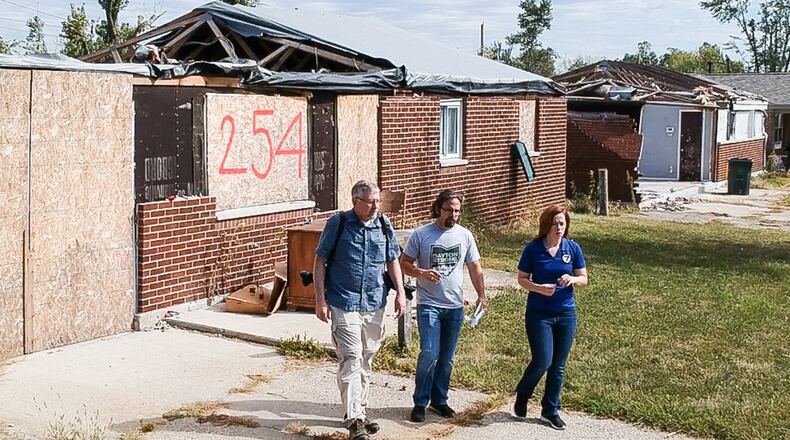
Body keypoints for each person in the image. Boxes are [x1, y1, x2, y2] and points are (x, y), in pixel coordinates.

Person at [313, 180, 407, 440]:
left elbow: (392, 261)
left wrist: (400, 293)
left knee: (367, 357)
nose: (375, 206)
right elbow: (320, 261)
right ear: (355, 201)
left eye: (378, 200)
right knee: (351, 357)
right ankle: (354, 419)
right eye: (369, 201)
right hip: (344, 301)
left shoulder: (384, 225)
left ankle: (360, 413)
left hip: (375, 301)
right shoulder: (339, 223)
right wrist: (320, 300)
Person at [400, 190, 487, 423]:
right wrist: (421, 273)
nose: (454, 214)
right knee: (429, 352)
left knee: (447, 357)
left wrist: (482, 295)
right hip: (429, 303)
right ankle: (420, 401)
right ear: (438, 208)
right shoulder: (422, 234)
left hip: (455, 306)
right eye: (449, 209)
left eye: (457, 210)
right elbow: (404, 263)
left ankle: (440, 400)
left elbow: (474, 267)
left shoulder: (465, 236)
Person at [513, 204, 588, 430]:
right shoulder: (533, 249)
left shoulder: (572, 248)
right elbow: (522, 278)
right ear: (546, 225)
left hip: (566, 313)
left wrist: (572, 279)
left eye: (562, 223)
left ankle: (550, 410)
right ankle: (523, 394)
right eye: (555, 223)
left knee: (559, 365)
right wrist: (537, 287)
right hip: (539, 314)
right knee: (542, 360)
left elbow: (583, 278)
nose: (559, 228)